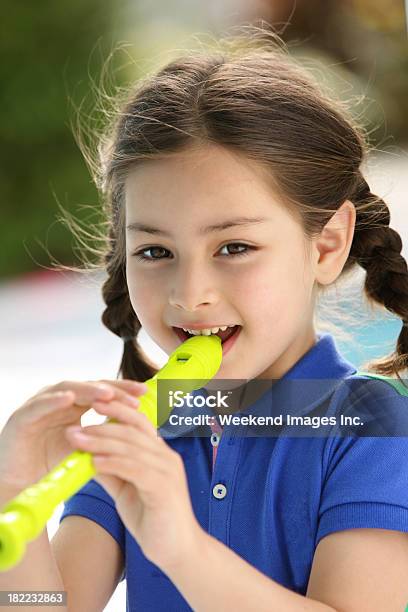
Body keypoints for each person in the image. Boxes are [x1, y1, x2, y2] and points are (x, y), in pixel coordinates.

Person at [1, 24, 408, 611]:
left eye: (234, 247)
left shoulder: (372, 426)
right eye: (155, 252)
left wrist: (182, 549)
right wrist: (14, 493)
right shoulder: (138, 434)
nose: (189, 295)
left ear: (325, 245)